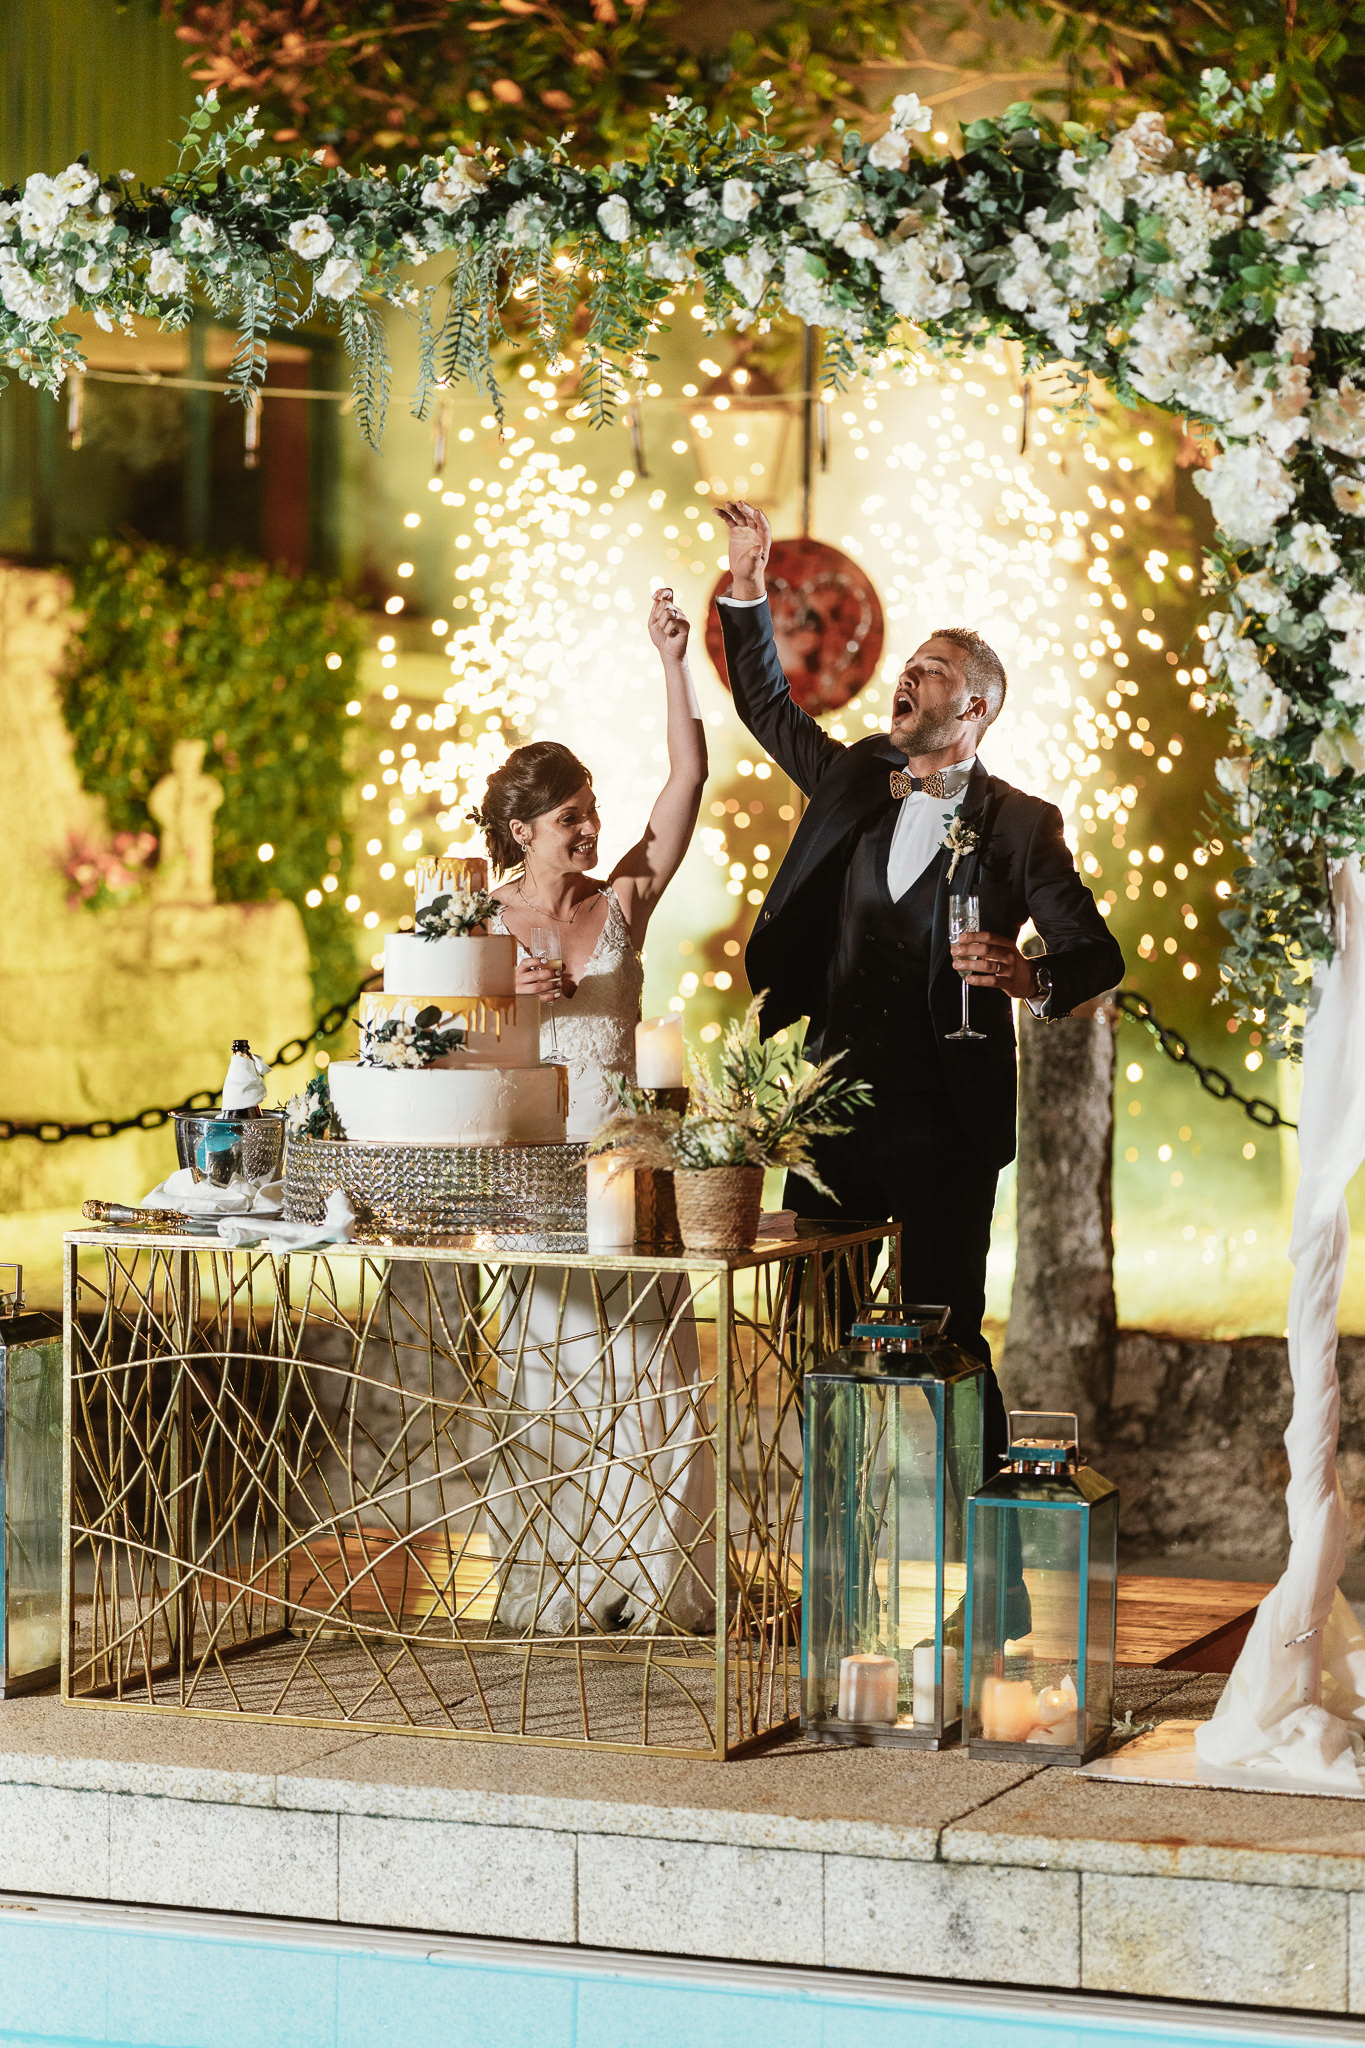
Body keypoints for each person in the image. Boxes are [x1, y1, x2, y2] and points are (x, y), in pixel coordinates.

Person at [714, 500, 1125, 1473]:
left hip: (945, 1120)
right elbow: (768, 705)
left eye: (932, 669)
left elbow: (1096, 953)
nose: (907, 675)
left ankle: (984, 1540)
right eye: (910, 665)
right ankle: (834, 1530)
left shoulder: (1021, 824)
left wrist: (1028, 973)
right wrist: (748, 583)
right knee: (817, 1341)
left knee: (948, 1341)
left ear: (973, 707)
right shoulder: (858, 775)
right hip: (831, 1113)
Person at [475, 587, 714, 1635]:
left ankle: (651, 1582)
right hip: (535, 1179)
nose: (590, 827)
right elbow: (438, 1046)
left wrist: (672, 659)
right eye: (570, 816)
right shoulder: (474, 921)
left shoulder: (623, 901)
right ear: (522, 830)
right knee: (554, 1379)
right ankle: (565, 1578)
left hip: (631, 1171)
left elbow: (686, 780)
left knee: (648, 1373)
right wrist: (504, 1008)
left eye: (592, 810)